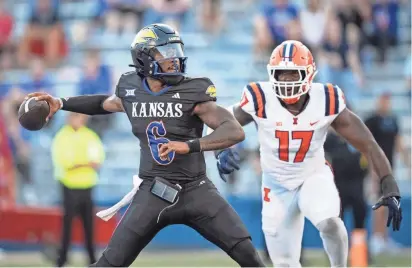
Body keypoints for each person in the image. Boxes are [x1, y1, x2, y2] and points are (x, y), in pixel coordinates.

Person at [25, 24, 265, 267]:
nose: (175, 58)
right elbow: (103, 104)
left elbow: (233, 129)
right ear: (144, 57)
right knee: (109, 263)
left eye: (176, 50)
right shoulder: (132, 89)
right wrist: (61, 102)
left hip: (196, 189)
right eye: (166, 52)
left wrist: (191, 145)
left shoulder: (193, 90)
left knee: (248, 254)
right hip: (153, 190)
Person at [211, 40, 403, 267]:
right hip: (275, 185)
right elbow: (218, 118)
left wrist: (388, 182)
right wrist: (220, 149)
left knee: (330, 222)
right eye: (281, 74)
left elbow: (368, 143)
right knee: (284, 263)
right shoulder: (260, 97)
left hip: (312, 176)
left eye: (294, 74)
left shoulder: (326, 99)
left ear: (309, 74)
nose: (286, 80)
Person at [52, 112, 105, 267]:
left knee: (89, 226)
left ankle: (92, 260)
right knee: (67, 226)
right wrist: (85, 164)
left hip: (87, 186)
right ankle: (62, 259)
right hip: (69, 186)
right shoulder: (62, 136)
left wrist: (79, 164)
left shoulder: (90, 135)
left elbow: (97, 160)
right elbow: (66, 163)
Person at [364, 92, 410, 255]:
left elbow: (398, 142)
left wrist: (407, 163)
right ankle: (376, 238)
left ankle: (384, 238)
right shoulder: (372, 121)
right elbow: (368, 147)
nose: (386, 104)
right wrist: (372, 171)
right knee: (379, 204)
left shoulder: (392, 120)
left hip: (390, 168)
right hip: (378, 167)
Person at [324, 127, 369, 267]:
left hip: (357, 189)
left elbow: (365, 164)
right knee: (337, 227)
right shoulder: (329, 141)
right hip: (338, 189)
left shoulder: (357, 141)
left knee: (359, 226)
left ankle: (359, 258)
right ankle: (337, 258)